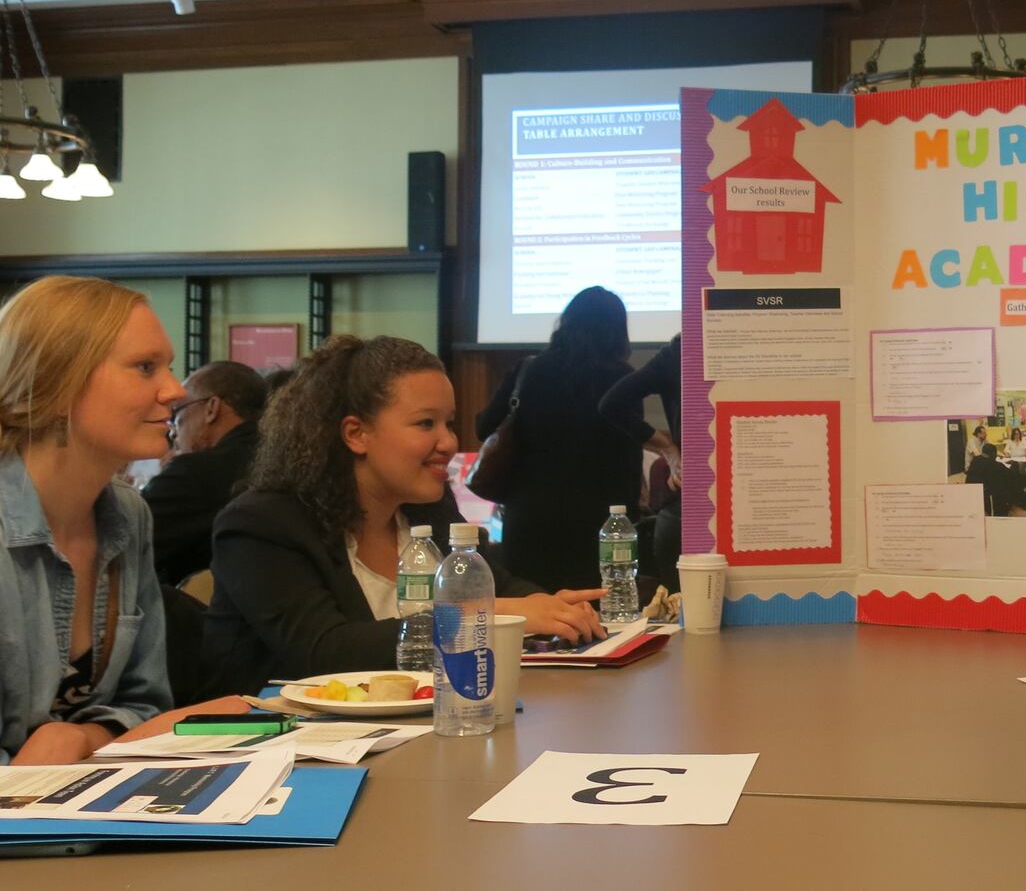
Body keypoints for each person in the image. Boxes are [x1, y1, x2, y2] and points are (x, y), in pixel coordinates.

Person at [204, 334, 606, 697]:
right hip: (286, 756)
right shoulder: (261, 525)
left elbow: (498, 585)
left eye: (448, 423)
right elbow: (325, 652)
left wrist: (549, 607)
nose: (448, 442)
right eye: (425, 423)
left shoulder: (425, 509)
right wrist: (492, 612)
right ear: (356, 434)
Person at [0, 276, 246, 765]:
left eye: (169, 368)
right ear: (58, 380)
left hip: (81, 808)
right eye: (145, 368)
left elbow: (145, 702)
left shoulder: (126, 515)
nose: (175, 391)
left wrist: (78, 739)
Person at [476, 286, 640, 592]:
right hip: (597, 526)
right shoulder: (623, 379)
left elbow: (485, 427)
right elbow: (629, 463)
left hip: (529, 522)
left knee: (532, 611)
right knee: (593, 617)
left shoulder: (530, 370)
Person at [142, 360, 267, 586]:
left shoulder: (194, 475)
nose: (172, 433)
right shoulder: (283, 458)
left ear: (211, 409)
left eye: (177, 415)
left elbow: (124, 547)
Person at [599, 334, 682, 594]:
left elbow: (612, 403)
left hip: (687, 505)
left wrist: (670, 450)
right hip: (754, 497)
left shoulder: (680, 350)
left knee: (687, 613)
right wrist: (669, 450)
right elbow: (612, 403)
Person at [965, 442, 1017, 516]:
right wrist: (1014, 465)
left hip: (973, 492)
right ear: (993, 454)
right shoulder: (994, 465)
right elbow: (1010, 474)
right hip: (987, 495)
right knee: (1007, 482)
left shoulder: (975, 460)